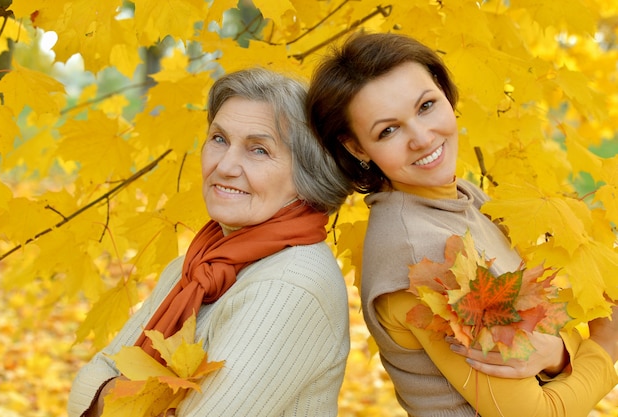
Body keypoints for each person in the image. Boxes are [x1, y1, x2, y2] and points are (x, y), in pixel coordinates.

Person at [306, 31, 618, 417]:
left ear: (443, 91)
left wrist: (556, 353)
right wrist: (606, 345)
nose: (422, 138)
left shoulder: (465, 199)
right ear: (356, 148)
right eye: (388, 130)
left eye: (426, 106)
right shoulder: (425, 251)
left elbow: (543, 334)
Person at [68, 67, 354, 417]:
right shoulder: (194, 267)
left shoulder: (290, 286)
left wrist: (113, 397)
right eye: (219, 139)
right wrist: (128, 398)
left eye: (259, 150)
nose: (226, 165)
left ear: (307, 173)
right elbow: (91, 379)